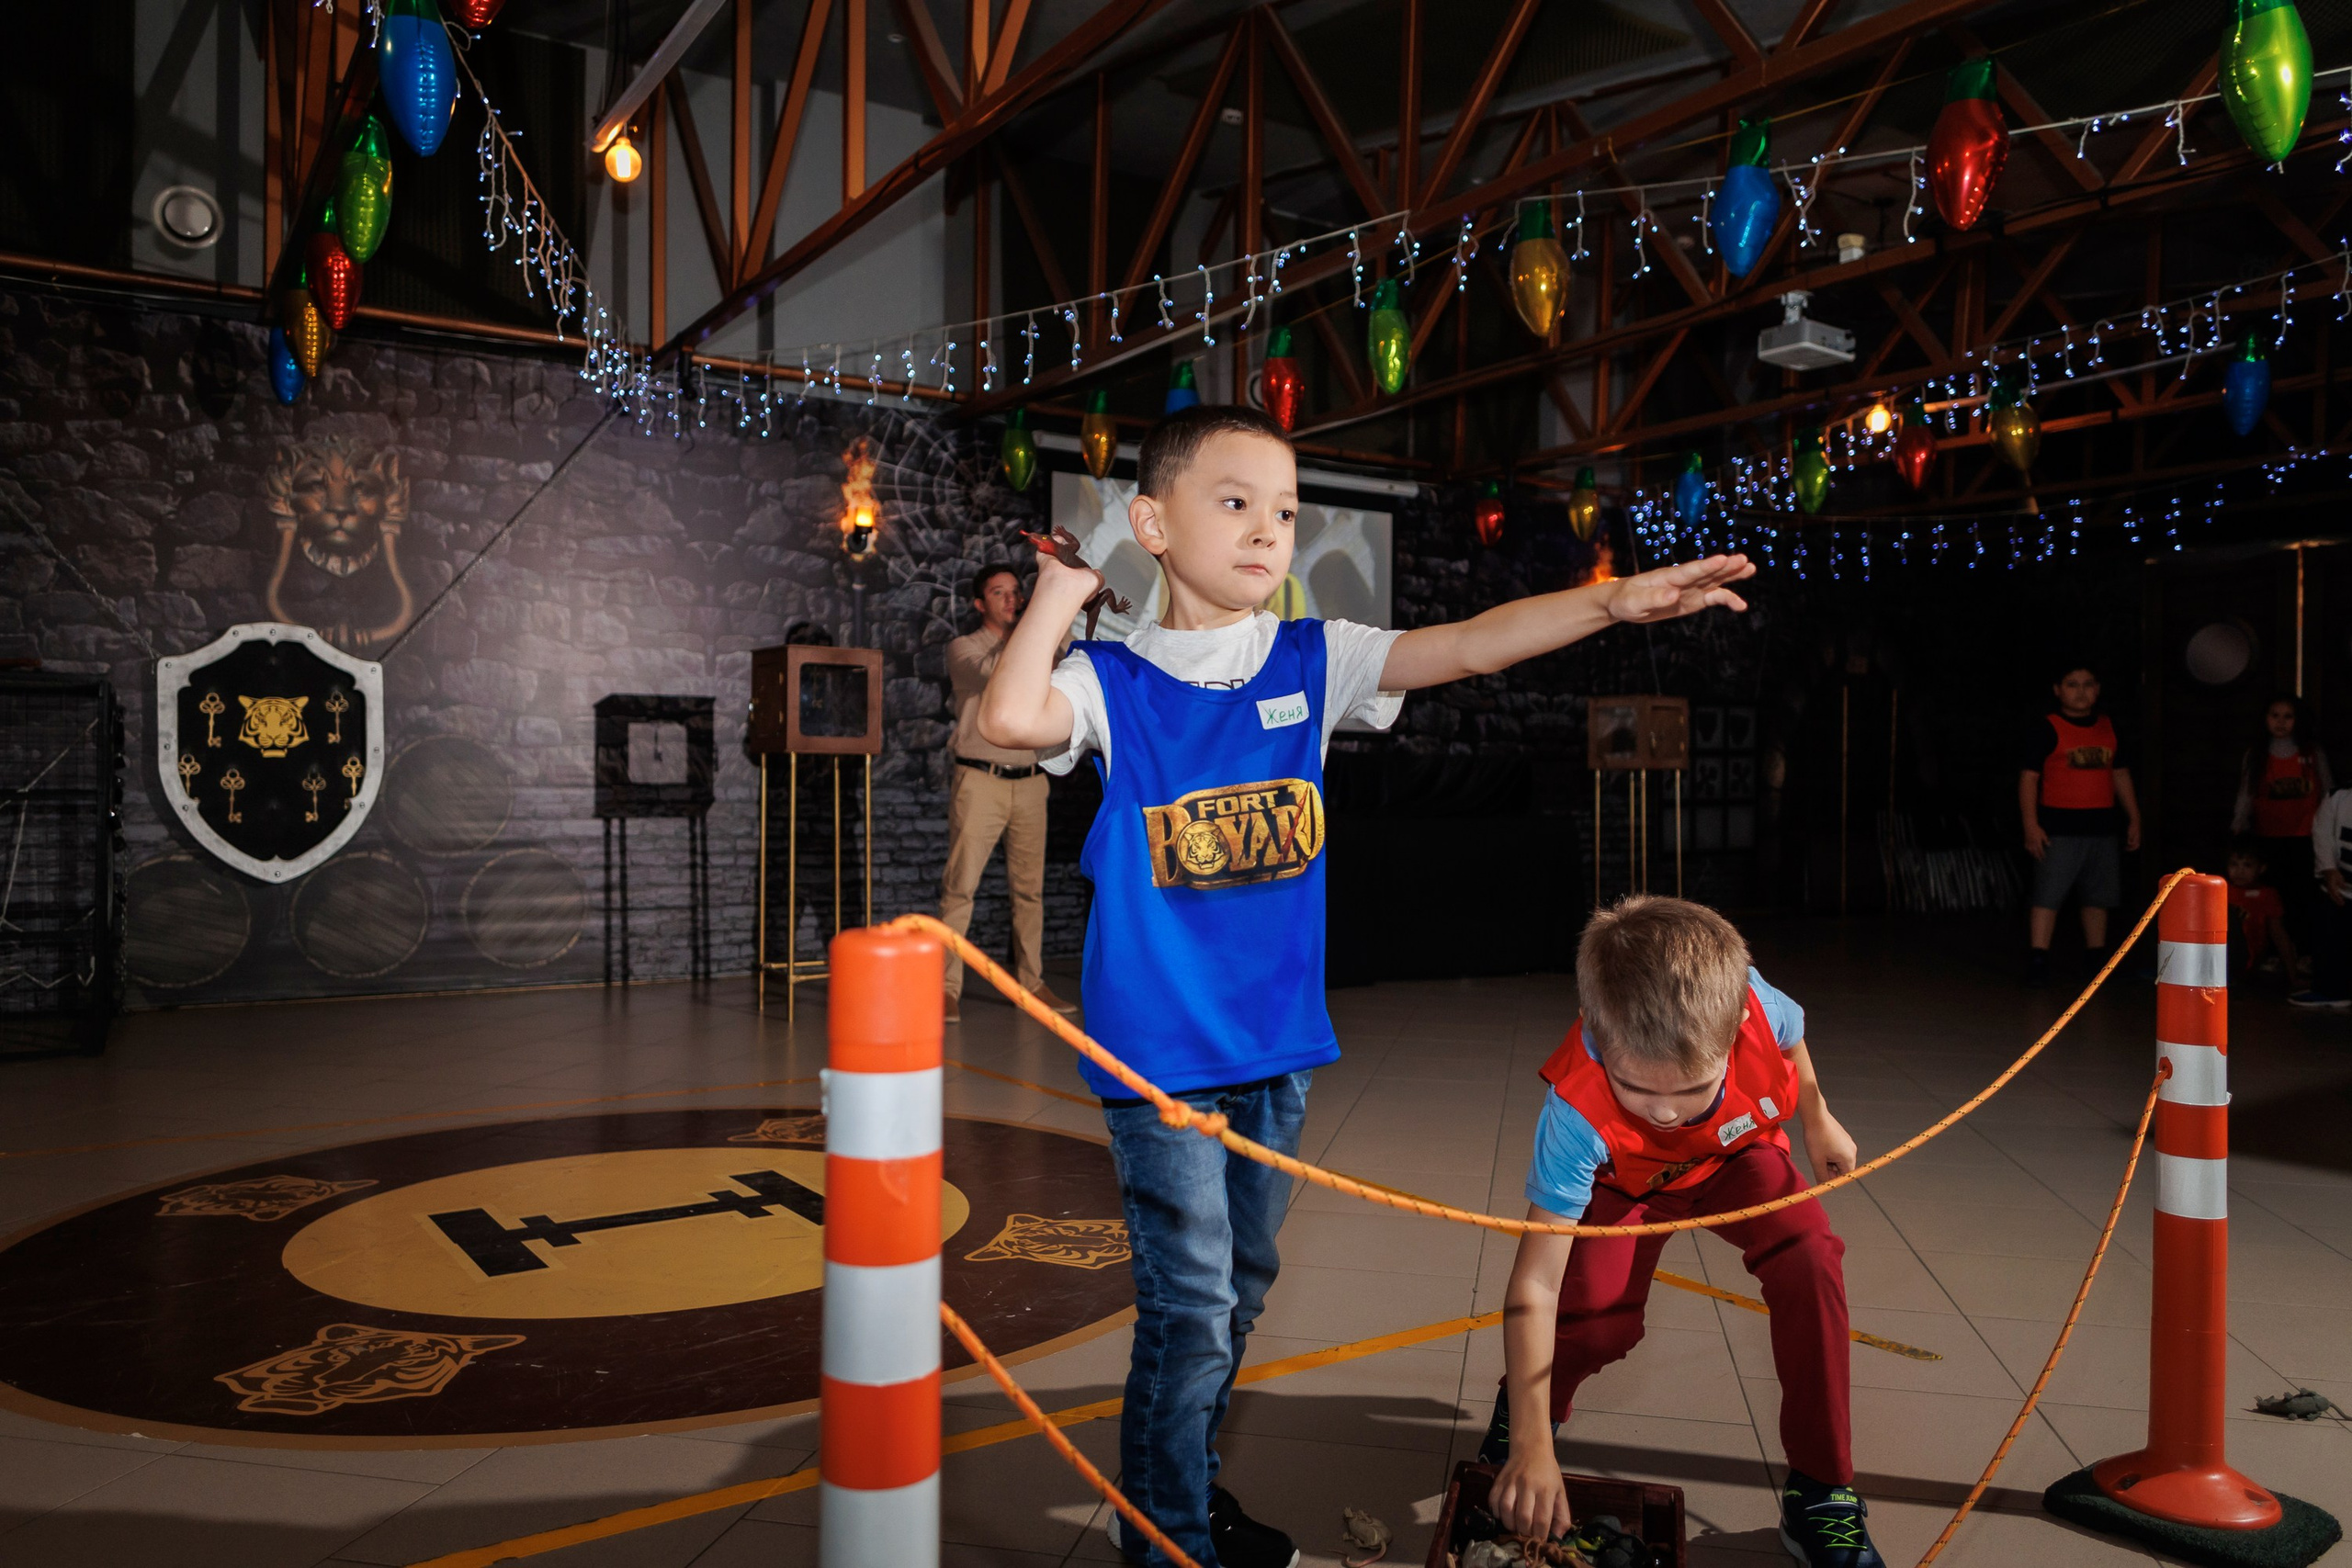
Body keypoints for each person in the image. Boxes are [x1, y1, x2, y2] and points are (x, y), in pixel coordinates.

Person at [977, 405, 1753, 1568]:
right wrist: (1060, 593)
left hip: (1276, 1054)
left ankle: (1184, 1491)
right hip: (1161, 1061)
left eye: (1285, 511)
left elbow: (1471, 644)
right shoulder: (1108, 683)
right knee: (1189, 1319)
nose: (1266, 530)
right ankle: (1167, 1543)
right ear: (1152, 522)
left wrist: (1609, 601)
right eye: (1233, 502)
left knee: (1236, 1295)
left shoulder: (1311, 659)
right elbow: (1004, 715)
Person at [1482, 896, 1879, 1568]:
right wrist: (1529, 1443)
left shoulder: (1755, 1003)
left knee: (1810, 1255)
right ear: (1598, 1038)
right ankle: (1526, 1413)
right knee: (1598, 1322)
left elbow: (1793, 1036)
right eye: (1636, 1087)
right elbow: (1534, 1281)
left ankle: (1820, 1491)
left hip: (1736, 1158)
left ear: (1731, 1035)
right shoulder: (1576, 1109)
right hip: (1623, 1182)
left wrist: (1817, 1119)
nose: (1665, 1113)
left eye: (1692, 1088)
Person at [939, 564, 1075, 1023]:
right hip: (980, 780)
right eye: (999, 593)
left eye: (1016, 592)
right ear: (980, 604)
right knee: (961, 887)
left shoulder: (1032, 645)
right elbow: (994, 673)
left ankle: (1031, 982)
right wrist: (1035, 629)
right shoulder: (964, 648)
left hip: (1031, 782)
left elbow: (1069, 658)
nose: (1011, 600)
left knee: (1029, 892)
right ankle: (946, 987)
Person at [2019, 666, 2142, 984]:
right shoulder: (2047, 727)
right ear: (2058, 690)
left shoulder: (2108, 727)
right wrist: (2031, 825)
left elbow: (2120, 773)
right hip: (2058, 827)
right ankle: (2038, 957)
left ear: (2098, 689)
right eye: (2072, 685)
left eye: (2088, 684)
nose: (2081, 691)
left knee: (2098, 896)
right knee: (2048, 895)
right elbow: (2029, 778)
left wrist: (2134, 816)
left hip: (2101, 827)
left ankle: (2095, 957)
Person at [2231, 694, 2332, 954]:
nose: (2281, 722)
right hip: (2268, 836)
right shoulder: (2257, 755)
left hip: (2305, 836)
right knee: (2273, 898)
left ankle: (2304, 952)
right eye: (2275, 716)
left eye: (2288, 716)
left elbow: (2327, 791)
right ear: (2265, 719)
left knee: (2303, 896)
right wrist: (2238, 823)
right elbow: (2247, 791)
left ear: (2297, 720)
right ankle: (2273, 954)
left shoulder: (2312, 752)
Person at [2294, 784, 2352, 1010]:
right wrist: (2328, 869)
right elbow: (2322, 832)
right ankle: (2330, 989)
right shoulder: (2337, 798)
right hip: (2339, 889)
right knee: (2331, 939)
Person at [2224, 840, 2298, 986]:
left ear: (2261, 868)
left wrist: (2293, 977)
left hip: (2252, 962)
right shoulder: (2221, 890)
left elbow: (2279, 935)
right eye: (2234, 864)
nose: (2240, 871)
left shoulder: (2267, 895)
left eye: (2247, 865)